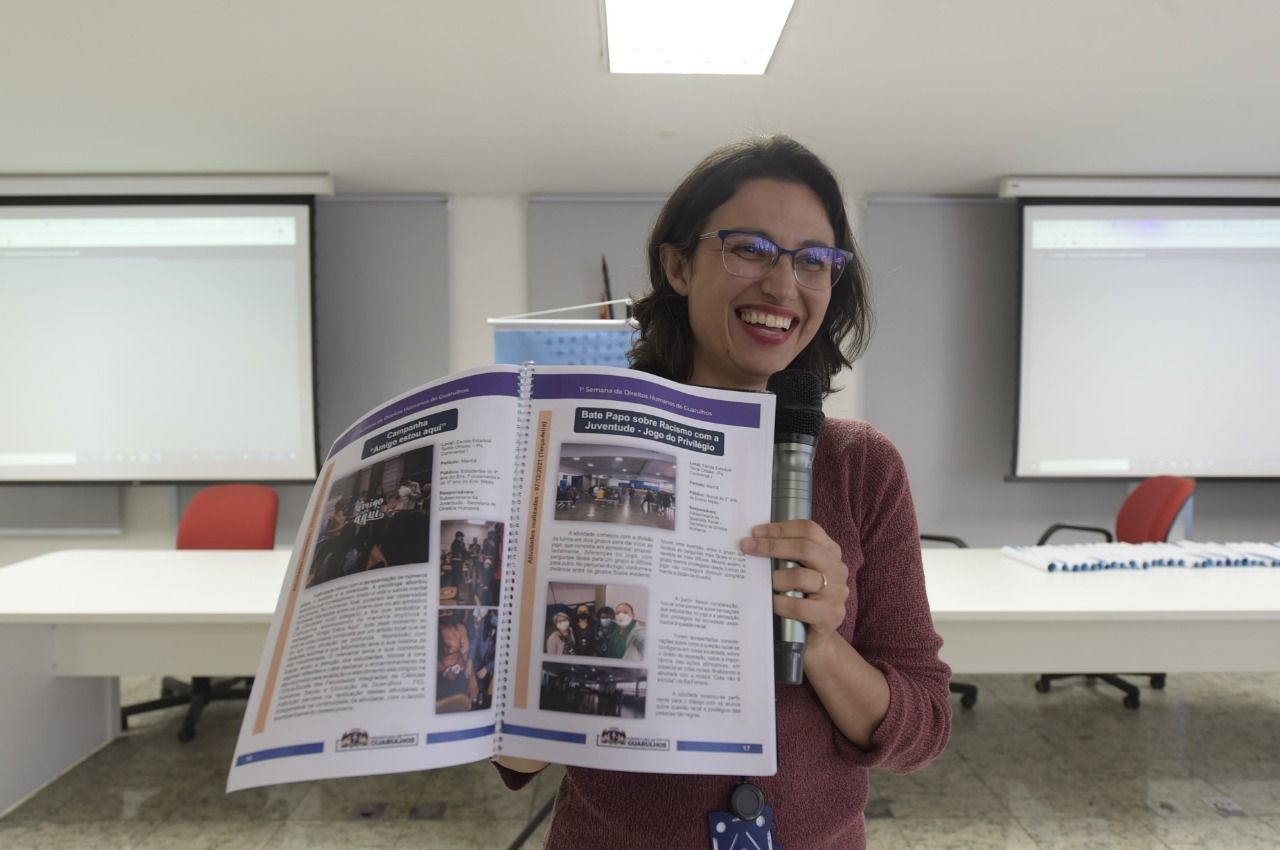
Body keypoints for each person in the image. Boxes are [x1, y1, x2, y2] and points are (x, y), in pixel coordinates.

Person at [493, 134, 952, 848]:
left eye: (813, 260)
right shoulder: (580, 448)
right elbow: (513, 754)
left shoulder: (860, 465)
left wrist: (821, 640)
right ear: (678, 266)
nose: (783, 286)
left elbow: (923, 730)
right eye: (750, 249)